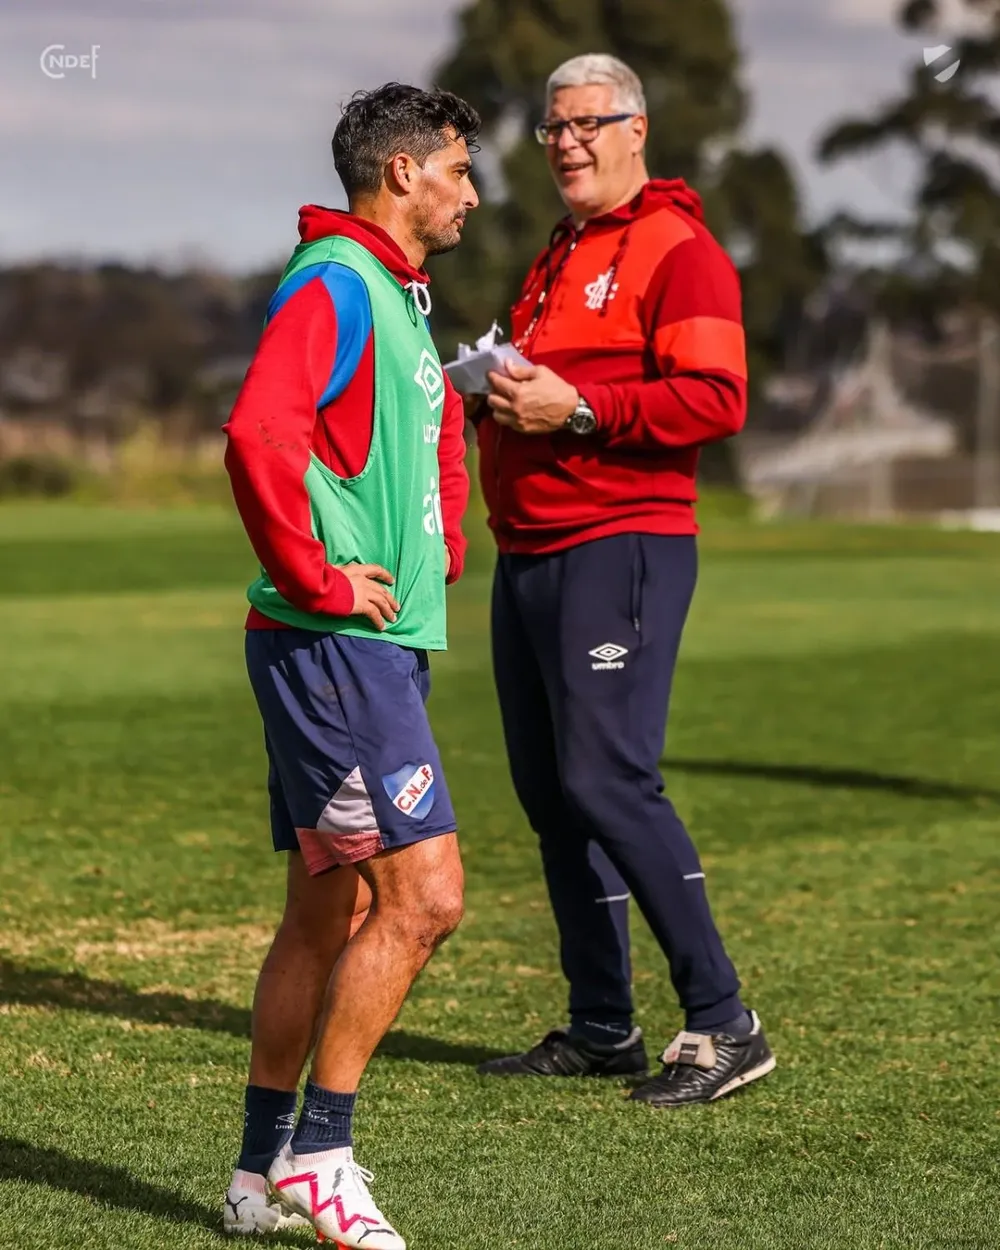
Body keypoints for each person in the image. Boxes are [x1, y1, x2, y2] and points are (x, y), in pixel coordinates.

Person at [474, 55, 775, 1105]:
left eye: (585, 123)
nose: (564, 141)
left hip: (620, 542)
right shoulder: (556, 252)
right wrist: (497, 391)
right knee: (554, 797)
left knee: (608, 780)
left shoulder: (678, 247)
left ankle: (725, 1021)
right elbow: (564, 383)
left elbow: (715, 396)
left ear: (636, 128)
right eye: (551, 126)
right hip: (530, 549)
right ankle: (604, 1022)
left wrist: (584, 412)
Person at [221, 83, 479, 1247]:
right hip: (337, 645)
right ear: (402, 174)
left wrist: (444, 535)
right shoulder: (335, 285)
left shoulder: (396, 295)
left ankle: (252, 1172)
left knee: (324, 909)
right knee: (423, 898)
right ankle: (323, 1152)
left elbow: (426, 435)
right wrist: (327, 579)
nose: (472, 192)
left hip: (363, 645)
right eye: (459, 169)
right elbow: (258, 434)